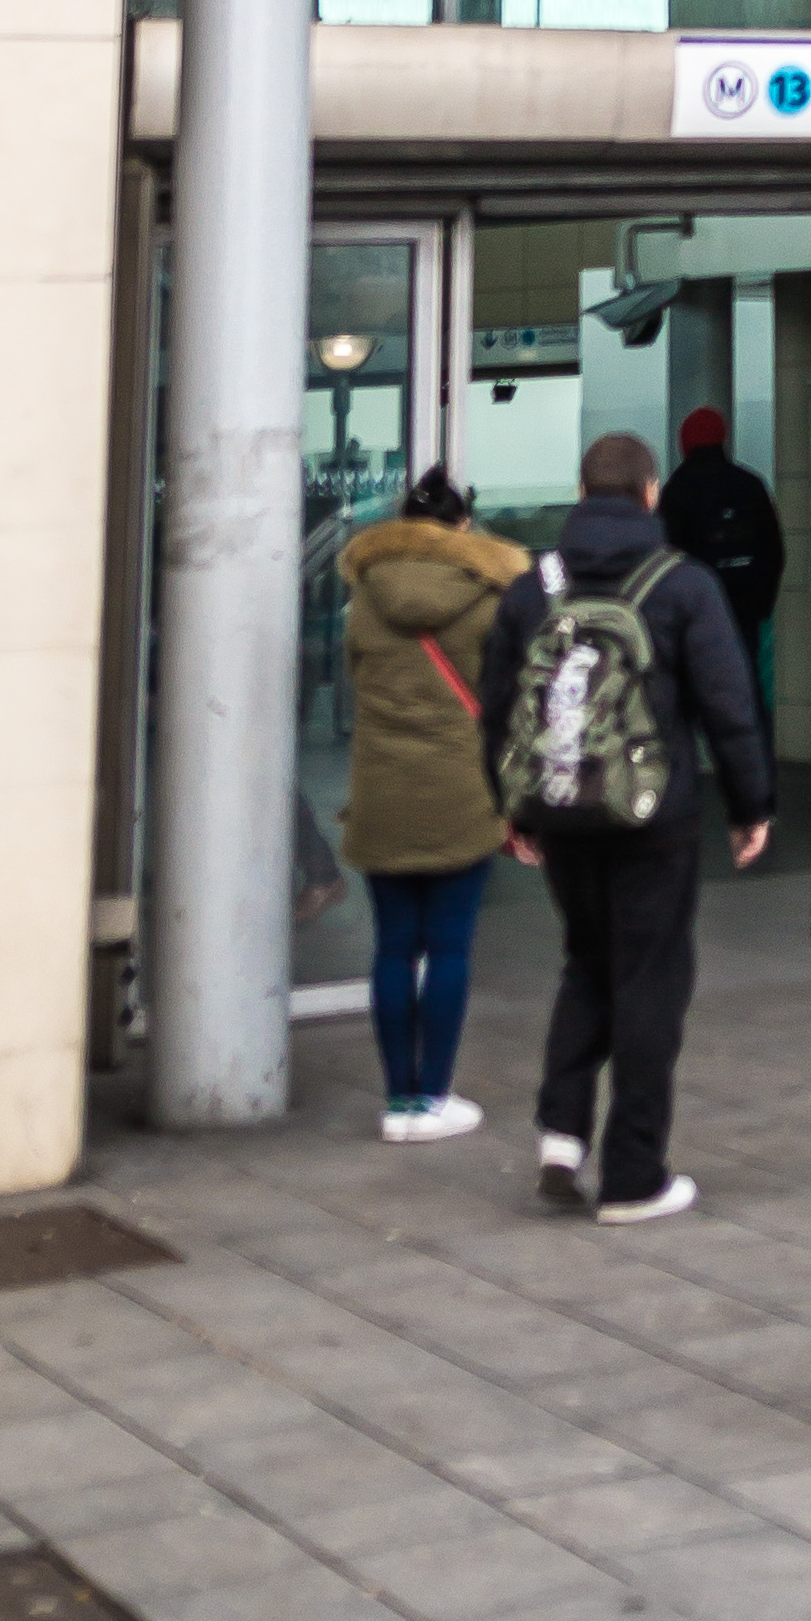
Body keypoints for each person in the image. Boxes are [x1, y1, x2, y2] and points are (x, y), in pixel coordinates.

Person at [477, 426, 774, 1229]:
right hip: (655, 819)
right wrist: (751, 807)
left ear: (581, 494)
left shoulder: (533, 587)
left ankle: (561, 1137)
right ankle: (635, 1174)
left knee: (586, 963)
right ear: (650, 493)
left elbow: (500, 706)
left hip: (562, 811)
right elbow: (729, 706)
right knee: (650, 980)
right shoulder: (682, 584)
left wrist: (509, 805)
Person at [337, 460, 523, 1143]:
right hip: (460, 790)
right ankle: (434, 1097)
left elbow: (357, 674)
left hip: (382, 788)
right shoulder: (488, 594)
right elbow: (505, 694)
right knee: (447, 947)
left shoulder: (365, 593)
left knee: (392, 948)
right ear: (462, 525)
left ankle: (397, 1103)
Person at [659, 404, 787, 716]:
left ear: (684, 441)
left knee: (688, 701)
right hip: (744, 614)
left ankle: (691, 763)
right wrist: (760, 605)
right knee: (745, 694)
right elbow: (774, 551)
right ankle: (752, 762)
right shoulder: (750, 485)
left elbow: (665, 557)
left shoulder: (677, 490)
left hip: (693, 616)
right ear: (722, 439)